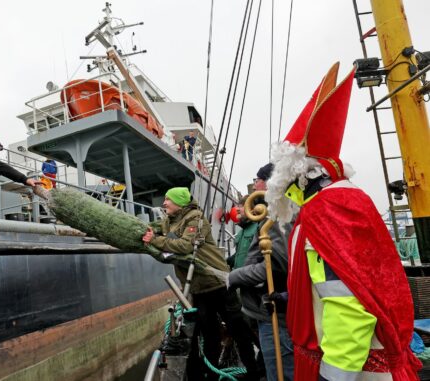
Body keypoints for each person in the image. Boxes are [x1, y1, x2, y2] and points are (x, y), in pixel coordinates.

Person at [265, 62, 421, 380]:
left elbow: (348, 308)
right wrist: (293, 298)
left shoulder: (322, 214)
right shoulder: (347, 200)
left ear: (294, 175)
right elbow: (354, 281)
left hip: (352, 368)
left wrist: (331, 377)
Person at [142, 187, 261, 381]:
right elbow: (157, 227)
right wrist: (149, 231)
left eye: (167, 200)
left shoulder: (195, 218)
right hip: (199, 289)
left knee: (238, 330)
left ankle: (255, 374)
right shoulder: (169, 221)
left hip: (218, 285)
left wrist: (155, 240)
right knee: (210, 336)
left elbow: (185, 245)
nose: (164, 204)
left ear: (179, 202)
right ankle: (212, 376)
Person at [228, 165, 295, 381]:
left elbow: (277, 265)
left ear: (268, 183)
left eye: (257, 179)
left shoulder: (277, 216)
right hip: (266, 307)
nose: (254, 184)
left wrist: (233, 277)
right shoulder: (277, 213)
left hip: (274, 311)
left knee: (280, 371)